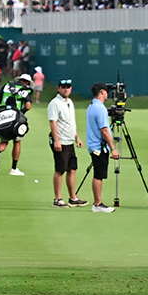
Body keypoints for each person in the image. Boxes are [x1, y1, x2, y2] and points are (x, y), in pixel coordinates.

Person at [0, 72, 34, 177]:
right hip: (16, 119)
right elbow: (28, 106)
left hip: (3, 117)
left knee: (4, 141)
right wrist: (22, 113)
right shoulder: (26, 90)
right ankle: (13, 168)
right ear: (27, 82)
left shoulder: (7, 85)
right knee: (17, 142)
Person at [83, 83, 116, 211]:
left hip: (94, 145)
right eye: (106, 91)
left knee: (99, 174)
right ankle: (98, 204)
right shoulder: (100, 108)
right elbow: (104, 130)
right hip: (98, 147)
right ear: (102, 92)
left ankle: (98, 203)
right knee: (99, 175)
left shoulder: (92, 106)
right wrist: (113, 148)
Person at [47, 79, 79, 207]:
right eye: (63, 87)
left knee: (72, 169)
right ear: (58, 88)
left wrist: (77, 137)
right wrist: (57, 141)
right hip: (61, 141)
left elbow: (71, 121)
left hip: (70, 140)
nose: (66, 89)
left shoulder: (69, 102)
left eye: (68, 87)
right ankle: (57, 199)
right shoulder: (54, 103)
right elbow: (53, 122)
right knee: (60, 170)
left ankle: (73, 198)